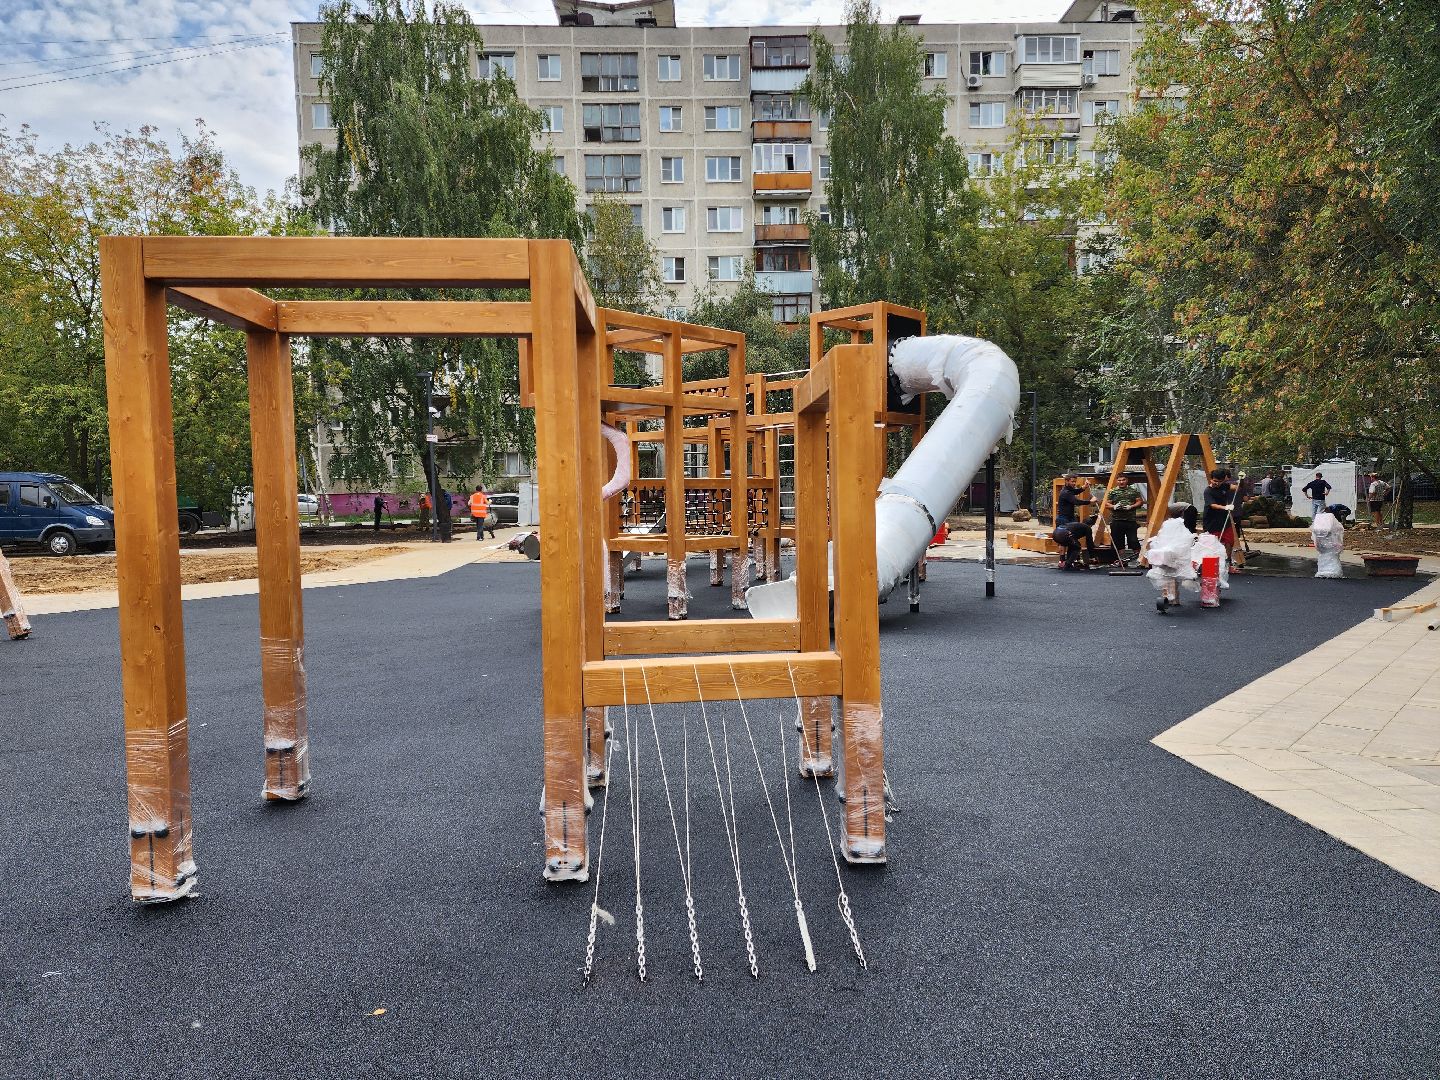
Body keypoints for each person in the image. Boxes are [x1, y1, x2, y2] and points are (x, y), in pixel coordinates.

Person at [1143, 504, 1199, 613]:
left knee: (1167, 576)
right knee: (1173, 575)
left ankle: (1170, 597)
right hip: (1175, 558)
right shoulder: (1179, 528)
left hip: (1166, 558)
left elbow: (1159, 540)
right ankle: (1173, 599)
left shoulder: (1167, 526)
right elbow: (1186, 540)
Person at [1202, 469, 1239, 571]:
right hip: (1211, 520)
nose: (1216, 483)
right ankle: (1212, 565)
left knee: (1229, 541)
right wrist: (1225, 507)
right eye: (1214, 481)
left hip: (1224, 519)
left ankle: (1227, 564)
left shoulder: (1223, 486)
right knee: (1212, 544)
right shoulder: (1208, 491)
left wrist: (1241, 481)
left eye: (1219, 481)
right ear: (1211, 479)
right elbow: (1212, 505)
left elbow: (1236, 488)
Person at [1105, 473, 1146, 562]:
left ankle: (1139, 560)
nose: (1121, 482)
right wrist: (1114, 506)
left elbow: (1139, 502)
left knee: (1133, 540)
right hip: (1117, 520)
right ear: (1116, 481)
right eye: (1119, 480)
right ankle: (1121, 560)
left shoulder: (1133, 490)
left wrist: (1131, 506)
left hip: (1130, 520)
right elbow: (1107, 504)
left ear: (1127, 480)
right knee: (1118, 542)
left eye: (1123, 480)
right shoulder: (1113, 491)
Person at [1311, 504, 1346, 579]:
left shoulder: (1319, 521)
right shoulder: (1332, 520)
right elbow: (1339, 531)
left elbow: (1315, 535)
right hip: (1332, 546)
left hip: (1322, 547)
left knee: (1324, 557)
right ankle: (1334, 571)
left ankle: (1322, 571)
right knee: (1332, 558)